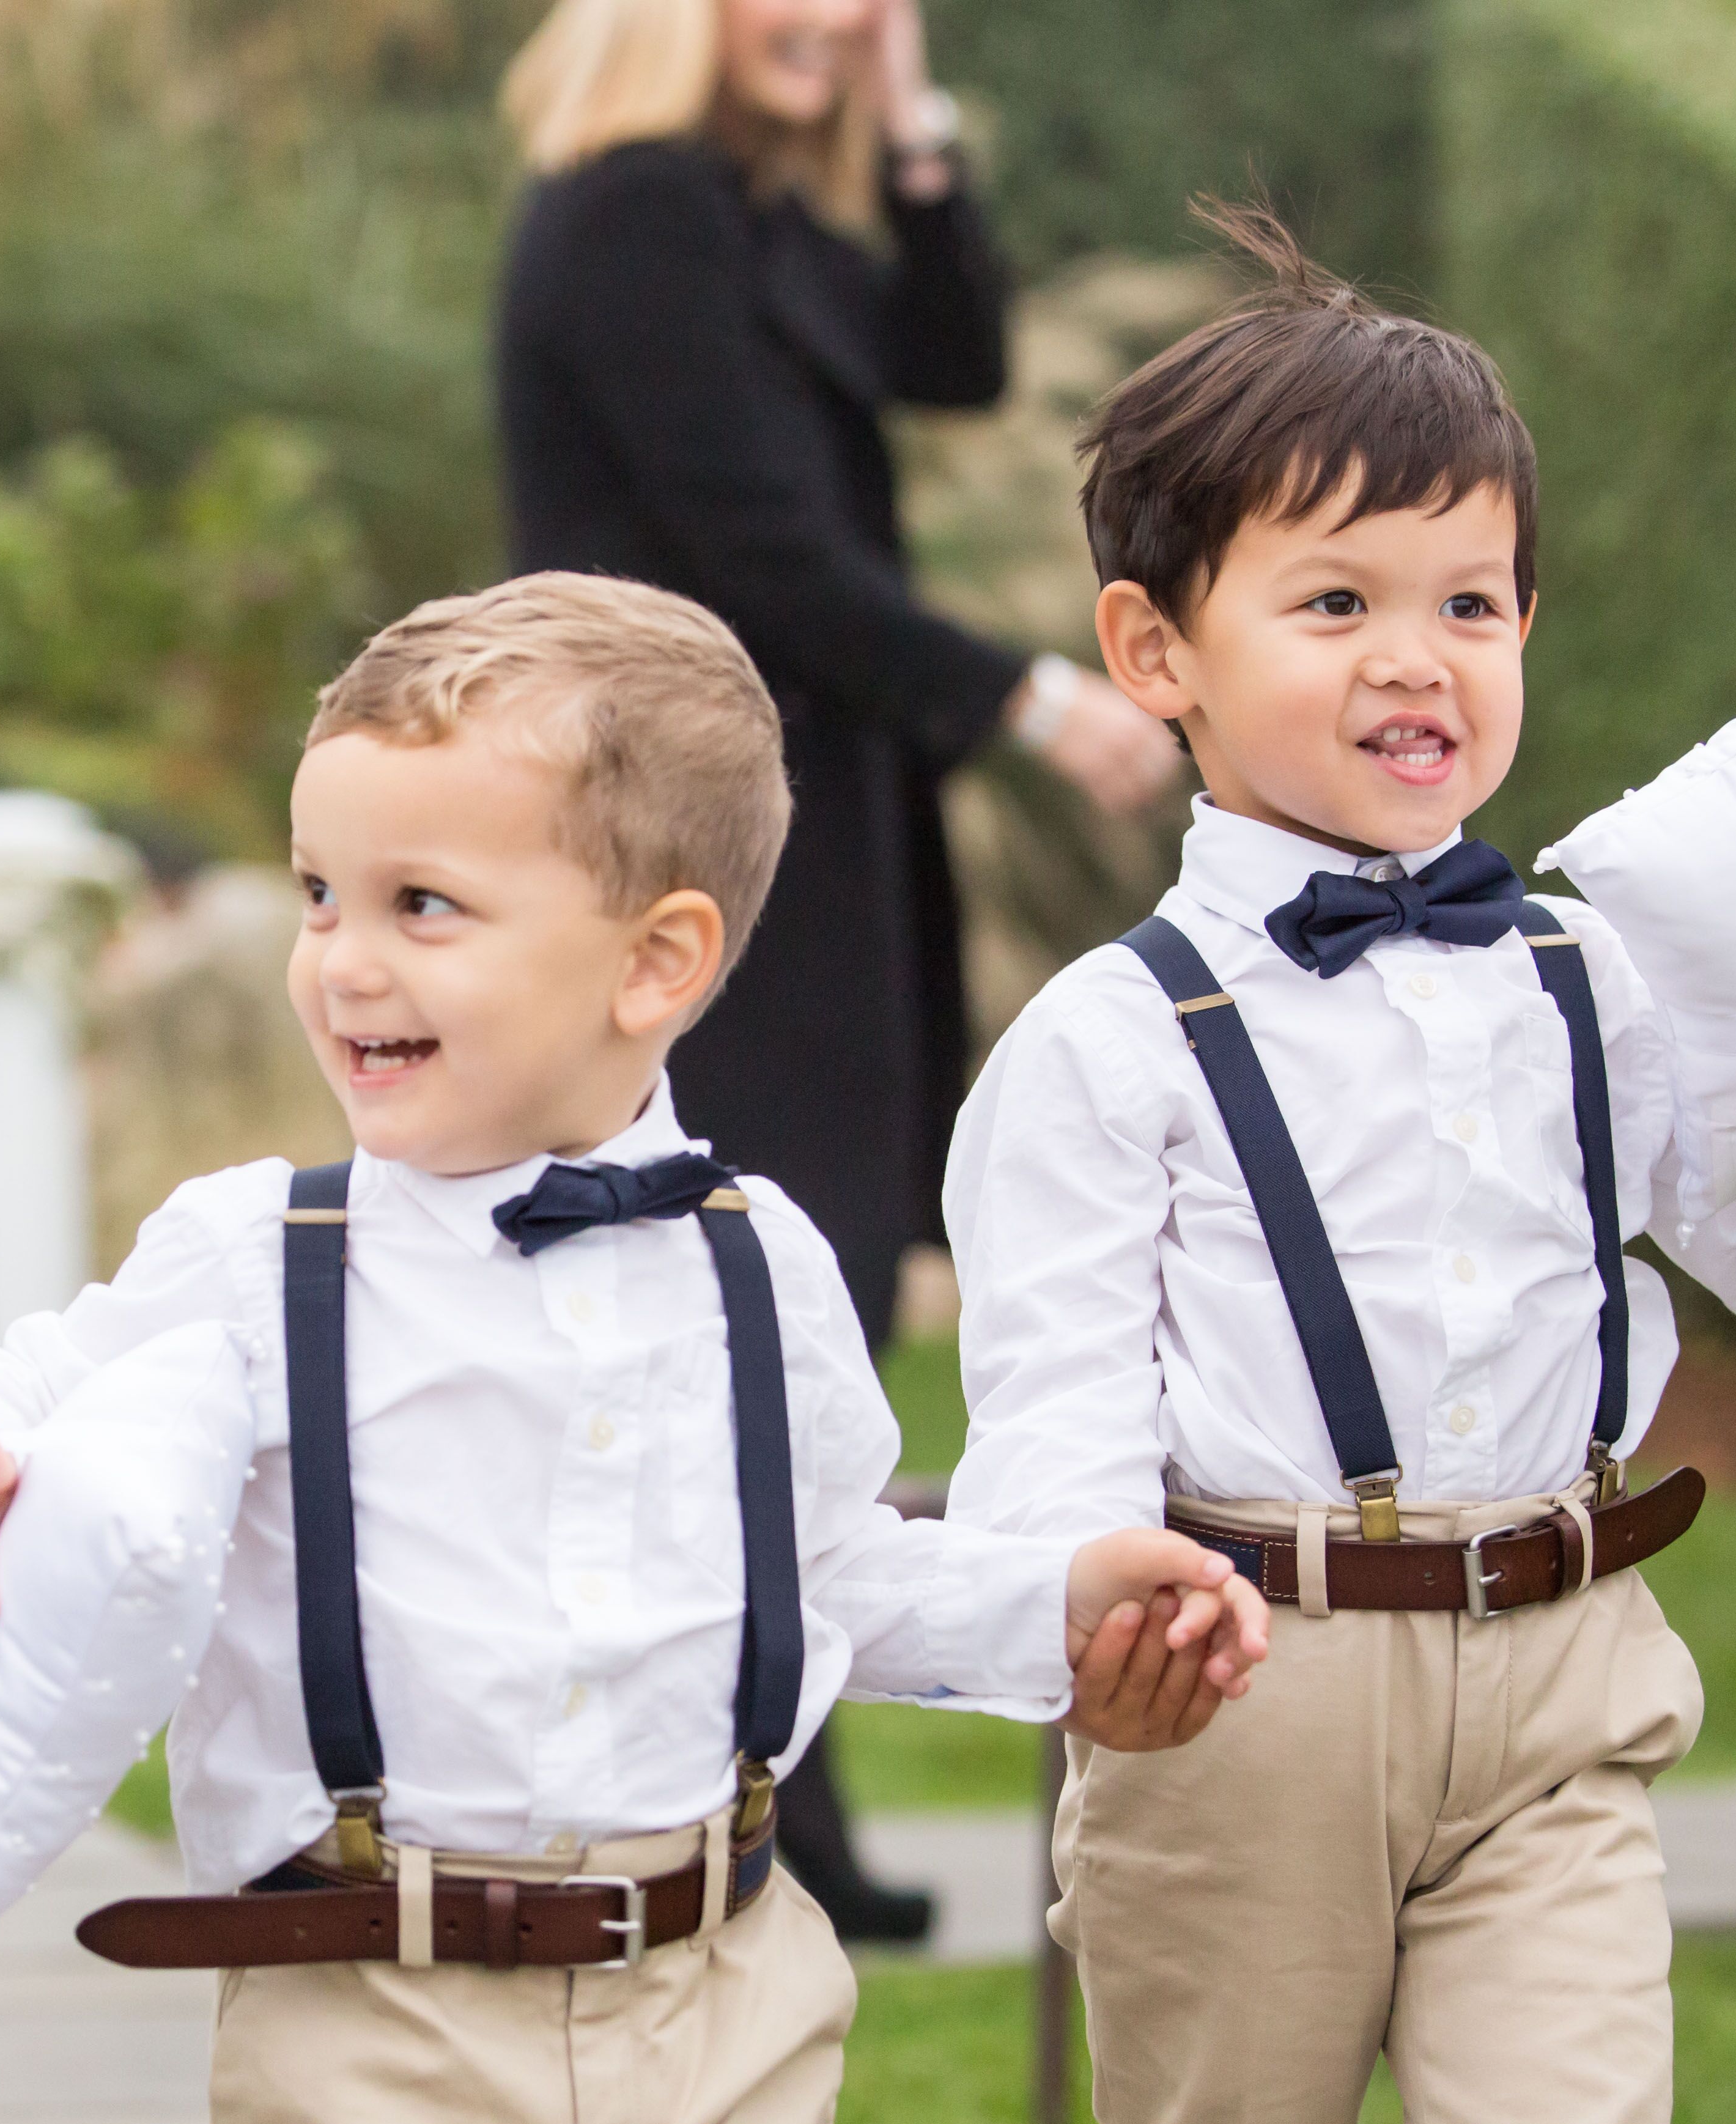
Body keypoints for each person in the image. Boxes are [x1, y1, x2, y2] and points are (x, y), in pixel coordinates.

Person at [0, 573, 1269, 2124]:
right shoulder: (257, 1260)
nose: (342, 960)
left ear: (656, 961)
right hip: (373, 2023)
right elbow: (12, 1381)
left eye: (422, 905)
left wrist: (1058, 1608)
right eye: (322, 895)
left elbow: (836, 1571)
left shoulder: (760, 1260)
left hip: (719, 2008)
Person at [945, 207, 1736, 2124]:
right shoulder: (1104, 1043)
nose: (1414, 656)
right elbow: (1053, 1417)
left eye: (1469, 601)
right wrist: (1090, 1612)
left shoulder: (1594, 978)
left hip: (1560, 1688)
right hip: (1249, 1701)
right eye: (1334, 600)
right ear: (1156, 651)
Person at [495, 0, 1184, 1940]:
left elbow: (955, 362)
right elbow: (760, 559)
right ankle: (758, 1792)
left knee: (814, 1276)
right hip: (688, 834)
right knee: (752, 1278)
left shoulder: (753, 218)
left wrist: (909, 114)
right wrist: (1031, 701)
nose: (826, 13)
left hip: (812, 821)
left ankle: (778, 1778)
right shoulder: (632, 215)